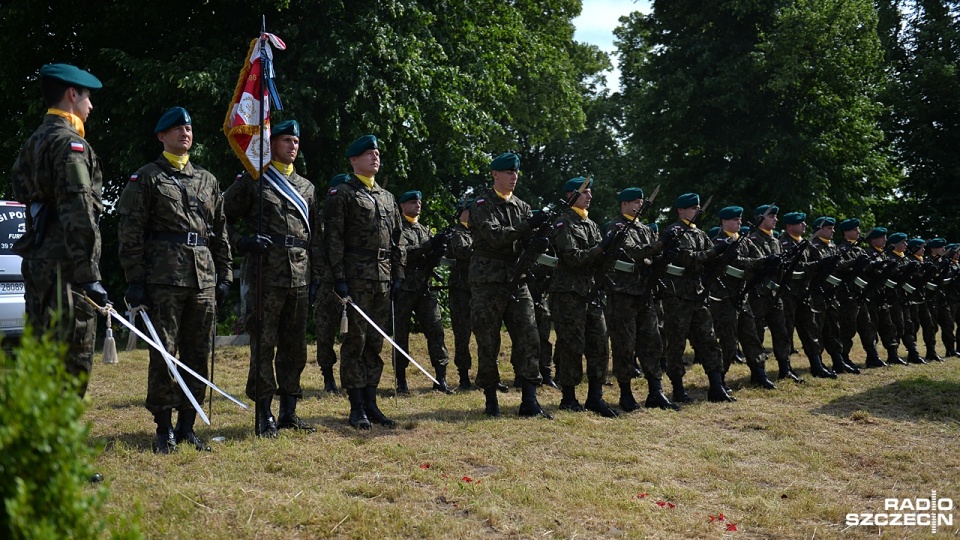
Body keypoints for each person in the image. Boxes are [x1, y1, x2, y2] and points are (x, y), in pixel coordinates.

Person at [117, 107, 232, 453]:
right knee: (165, 354)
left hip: (203, 280)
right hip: (163, 279)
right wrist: (135, 280)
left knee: (198, 353)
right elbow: (130, 231)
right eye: (176, 128)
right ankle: (163, 428)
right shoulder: (148, 178)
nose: (185, 132)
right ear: (161, 136)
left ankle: (187, 425)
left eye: (188, 128)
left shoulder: (208, 180)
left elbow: (220, 232)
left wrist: (225, 276)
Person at [11, 63, 109, 399]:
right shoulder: (70, 146)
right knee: (72, 354)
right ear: (72, 95)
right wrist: (89, 275)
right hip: (66, 268)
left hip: (39, 262)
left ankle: (39, 438)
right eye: (87, 97)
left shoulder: (34, 142)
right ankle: (59, 442)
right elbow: (78, 209)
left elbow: (23, 194)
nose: (91, 105)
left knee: (41, 350)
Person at [223, 119, 316, 437]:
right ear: (271, 143)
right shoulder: (253, 180)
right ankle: (264, 413)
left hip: (300, 276)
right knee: (264, 345)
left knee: (295, 347)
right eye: (287, 140)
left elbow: (311, 235)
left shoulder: (307, 188)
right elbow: (220, 218)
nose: (293, 145)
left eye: (296, 141)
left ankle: (289, 412)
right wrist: (242, 243)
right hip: (265, 274)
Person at [324, 135, 404, 429]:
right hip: (355, 279)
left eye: (377, 153)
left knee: (375, 342)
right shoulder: (342, 194)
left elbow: (398, 241)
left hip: (382, 279)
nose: (374, 157)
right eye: (368, 153)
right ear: (353, 160)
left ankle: (372, 403)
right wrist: (339, 278)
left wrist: (399, 275)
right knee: (354, 343)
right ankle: (356, 407)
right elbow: (332, 240)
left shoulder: (387, 197)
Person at [468, 152, 551, 418]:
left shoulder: (522, 206)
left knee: (529, 336)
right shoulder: (481, 204)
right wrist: (528, 226)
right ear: (495, 174)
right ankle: (491, 399)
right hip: (488, 281)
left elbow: (524, 243)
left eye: (516, 173)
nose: (514, 177)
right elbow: (495, 237)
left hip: (518, 280)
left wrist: (538, 241)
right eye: (508, 173)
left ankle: (530, 400)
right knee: (488, 340)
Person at [547, 177, 617, 417]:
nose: (590, 196)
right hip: (569, 294)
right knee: (571, 345)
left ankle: (595, 397)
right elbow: (573, 258)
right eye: (584, 192)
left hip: (592, 292)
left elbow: (598, 261)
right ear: (570, 195)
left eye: (590, 192)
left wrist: (610, 251)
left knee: (599, 344)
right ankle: (568, 397)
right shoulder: (562, 223)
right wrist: (601, 248)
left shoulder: (592, 224)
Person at [604, 187, 676, 411]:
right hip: (623, 294)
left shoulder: (644, 229)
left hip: (645, 294)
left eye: (641, 201)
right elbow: (633, 253)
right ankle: (626, 394)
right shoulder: (616, 227)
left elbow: (653, 255)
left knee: (652, 343)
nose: (640, 205)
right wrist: (660, 244)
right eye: (636, 201)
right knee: (625, 345)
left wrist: (667, 251)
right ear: (624, 204)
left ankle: (656, 392)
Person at [659, 193, 735, 403]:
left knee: (709, 340)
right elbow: (688, 259)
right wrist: (714, 251)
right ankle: (678, 388)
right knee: (676, 344)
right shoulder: (674, 232)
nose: (696, 211)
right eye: (692, 208)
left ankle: (717, 385)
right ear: (681, 210)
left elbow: (707, 261)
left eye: (698, 208)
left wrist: (723, 254)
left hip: (698, 295)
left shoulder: (700, 234)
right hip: (678, 296)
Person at [704, 206, 777, 390]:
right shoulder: (719, 241)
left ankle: (759, 373)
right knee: (728, 340)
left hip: (742, 296)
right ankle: (719, 379)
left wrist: (769, 260)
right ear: (724, 222)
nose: (739, 222)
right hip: (724, 298)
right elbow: (738, 262)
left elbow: (758, 257)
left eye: (740, 219)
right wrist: (761, 262)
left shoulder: (742, 240)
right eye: (735, 219)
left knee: (751, 336)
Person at [393, 190, 453, 394]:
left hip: (424, 288)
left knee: (436, 330)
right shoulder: (398, 228)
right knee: (400, 333)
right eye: (412, 202)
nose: (417, 204)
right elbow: (404, 254)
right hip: (404, 288)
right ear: (402, 206)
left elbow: (430, 257)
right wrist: (430, 245)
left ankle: (441, 378)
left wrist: (439, 248)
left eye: (419, 201)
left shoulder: (423, 229)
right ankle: (401, 380)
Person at [747, 205, 803, 382]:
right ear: (760, 218)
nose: (775, 219)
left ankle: (785, 368)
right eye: (771, 216)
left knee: (782, 331)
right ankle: (758, 372)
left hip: (775, 293)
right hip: (759, 294)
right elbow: (752, 266)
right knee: (757, 334)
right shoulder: (752, 240)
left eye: (775, 216)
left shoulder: (775, 240)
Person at [778, 212, 837, 379]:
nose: (804, 225)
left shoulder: (805, 243)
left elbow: (816, 258)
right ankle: (785, 368)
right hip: (788, 293)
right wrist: (817, 264)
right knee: (786, 331)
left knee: (810, 329)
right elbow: (794, 266)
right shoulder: (784, 243)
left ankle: (816, 364)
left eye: (804, 223)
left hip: (804, 292)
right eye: (800, 223)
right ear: (789, 226)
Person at [807, 216, 861, 375]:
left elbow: (838, 266)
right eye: (829, 228)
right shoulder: (812, 246)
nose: (833, 231)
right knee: (816, 329)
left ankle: (839, 361)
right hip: (817, 293)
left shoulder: (832, 246)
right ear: (819, 229)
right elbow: (811, 269)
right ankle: (818, 364)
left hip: (831, 293)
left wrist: (853, 263)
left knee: (833, 328)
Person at [312, 173, 350, 393]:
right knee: (325, 333)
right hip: (326, 286)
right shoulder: (319, 221)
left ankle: (350, 378)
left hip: (350, 284)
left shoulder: (353, 222)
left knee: (352, 334)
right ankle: (328, 377)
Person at [835, 218, 884, 368]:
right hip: (848, 294)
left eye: (858, 229)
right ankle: (844, 357)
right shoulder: (841, 250)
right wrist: (854, 265)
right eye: (855, 229)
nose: (858, 232)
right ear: (846, 232)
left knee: (867, 325)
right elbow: (840, 269)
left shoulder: (859, 250)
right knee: (848, 327)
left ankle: (872, 356)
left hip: (861, 294)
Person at [446, 198, 476, 389]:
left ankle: (488, 375)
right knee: (463, 333)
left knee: (486, 333)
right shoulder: (456, 233)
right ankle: (463, 376)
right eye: (469, 210)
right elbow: (463, 253)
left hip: (478, 288)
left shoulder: (477, 232)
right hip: (461, 290)